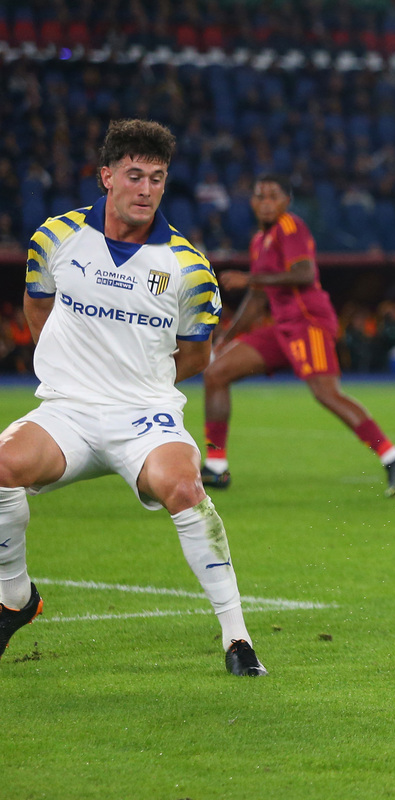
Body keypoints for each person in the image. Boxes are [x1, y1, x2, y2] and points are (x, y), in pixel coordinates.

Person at [0, 119, 265, 675]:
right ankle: (15, 599)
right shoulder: (56, 236)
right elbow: (37, 307)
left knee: (185, 487)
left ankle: (237, 639)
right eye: (135, 175)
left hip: (144, 416)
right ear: (107, 176)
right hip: (68, 412)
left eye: (157, 178)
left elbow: (197, 354)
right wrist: (69, 373)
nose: (146, 189)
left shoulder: (189, 267)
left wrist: (143, 385)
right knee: (1, 467)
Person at [200, 175, 395, 496]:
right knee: (216, 373)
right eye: (260, 196)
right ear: (252, 203)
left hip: (308, 322)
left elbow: (304, 273)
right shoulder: (259, 240)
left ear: (286, 202)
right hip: (282, 326)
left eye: (273, 196)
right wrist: (226, 338)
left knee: (326, 393)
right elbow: (257, 299)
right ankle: (216, 466)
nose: (266, 203)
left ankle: (393, 456)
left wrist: (249, 278)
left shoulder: (291, 227)